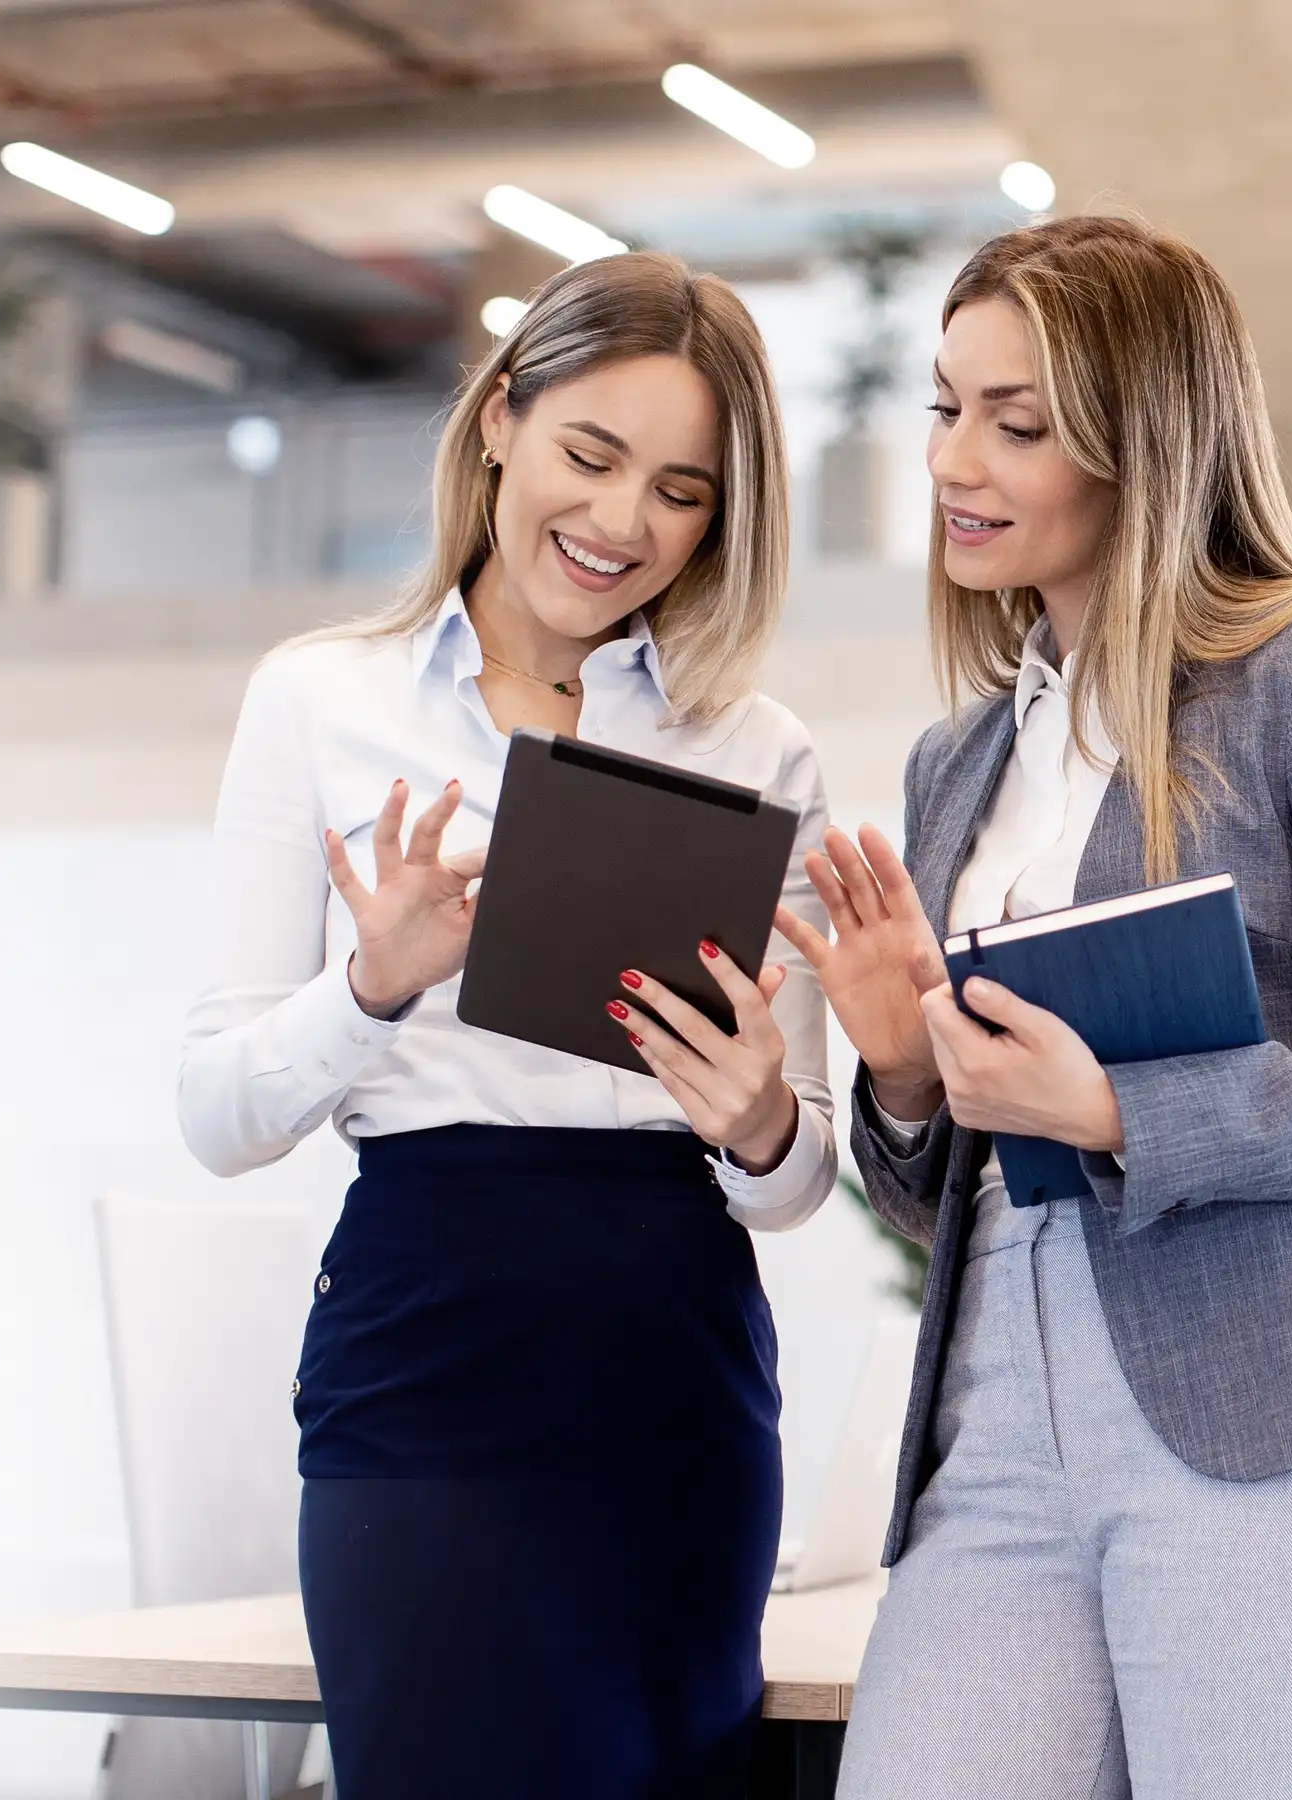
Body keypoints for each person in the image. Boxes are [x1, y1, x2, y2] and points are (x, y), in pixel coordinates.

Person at [772, 215, 1292, 1800]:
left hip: (1277, 1419)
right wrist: (900, 1068)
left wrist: (1112, 1110)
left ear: (1148, 443)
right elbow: (945, 1186)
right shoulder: (958, 761)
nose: (959, 460)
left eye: (1017, 423)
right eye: (947, 406)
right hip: (995, 1417)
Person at [169, 255, 836, 1796]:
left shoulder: (754, 748)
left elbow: (794, 1190)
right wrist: (373, 985)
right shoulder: (321, 700)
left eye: (680, 491)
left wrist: (759, 1122)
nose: (618, 525)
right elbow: (216, 1112)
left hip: (680, 1367)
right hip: (432, 1353)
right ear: (499, 425)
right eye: (588, 457)